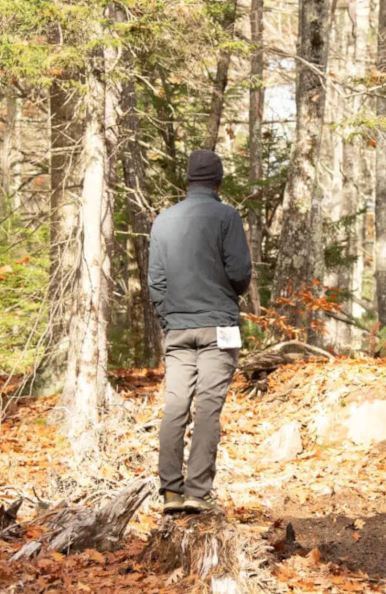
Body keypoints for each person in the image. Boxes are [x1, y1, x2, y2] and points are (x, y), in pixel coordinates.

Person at [148, 149, 253, 514]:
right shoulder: (227, 216)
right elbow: (240, 273)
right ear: (218, 181)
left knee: (175, 405)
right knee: (208, 407)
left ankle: (171, 494)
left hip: (177, 329)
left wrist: (168, 317)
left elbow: (156, 282)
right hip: (219, 326)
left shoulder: (163, 220)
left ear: (187, 180)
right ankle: (197, 493)